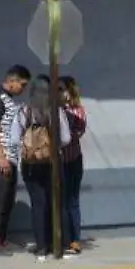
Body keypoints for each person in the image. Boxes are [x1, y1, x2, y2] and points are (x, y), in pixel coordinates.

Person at [18, 76, 73, 262]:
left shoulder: (24, 112)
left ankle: (41, 248)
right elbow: (66, 139)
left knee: (38, 205)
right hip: (52, 163)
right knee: (58, 204)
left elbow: (12, 139)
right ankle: (61, 245)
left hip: (31, 165)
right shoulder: (56, 111)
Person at [0, 65, 31, 256]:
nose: (23, 89)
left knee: (7, 200)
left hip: (10, 158)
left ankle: (2, 239)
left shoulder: (9, 100)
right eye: (23, 84)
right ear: (12, 81)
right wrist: (1, 157)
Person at [60, 76, 87, 255]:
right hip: (58, 161)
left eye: (62, 89)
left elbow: (75, 134)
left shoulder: (77, 111)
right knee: (60, 201)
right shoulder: (55, 110)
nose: (60, 93)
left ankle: (75, 240)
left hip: (73, 160)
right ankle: (62, 238)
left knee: (72, 201)